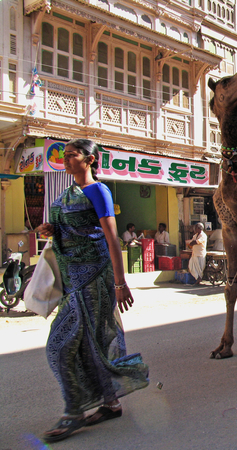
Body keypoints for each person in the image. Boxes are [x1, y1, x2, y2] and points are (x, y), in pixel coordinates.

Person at [35, 139, 149, 443]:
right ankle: (111, 402)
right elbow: (73, 229)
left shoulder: (99, 191)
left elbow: (112, 239)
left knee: (59, 347)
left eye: (73, 155)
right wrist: (52, 229)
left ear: (90, 160)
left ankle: (73, 412)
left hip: (94, 280)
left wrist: (120, 282)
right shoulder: (66, 193)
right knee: (88, 346)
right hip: (72, 280)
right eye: (65, 155)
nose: (66, 159)